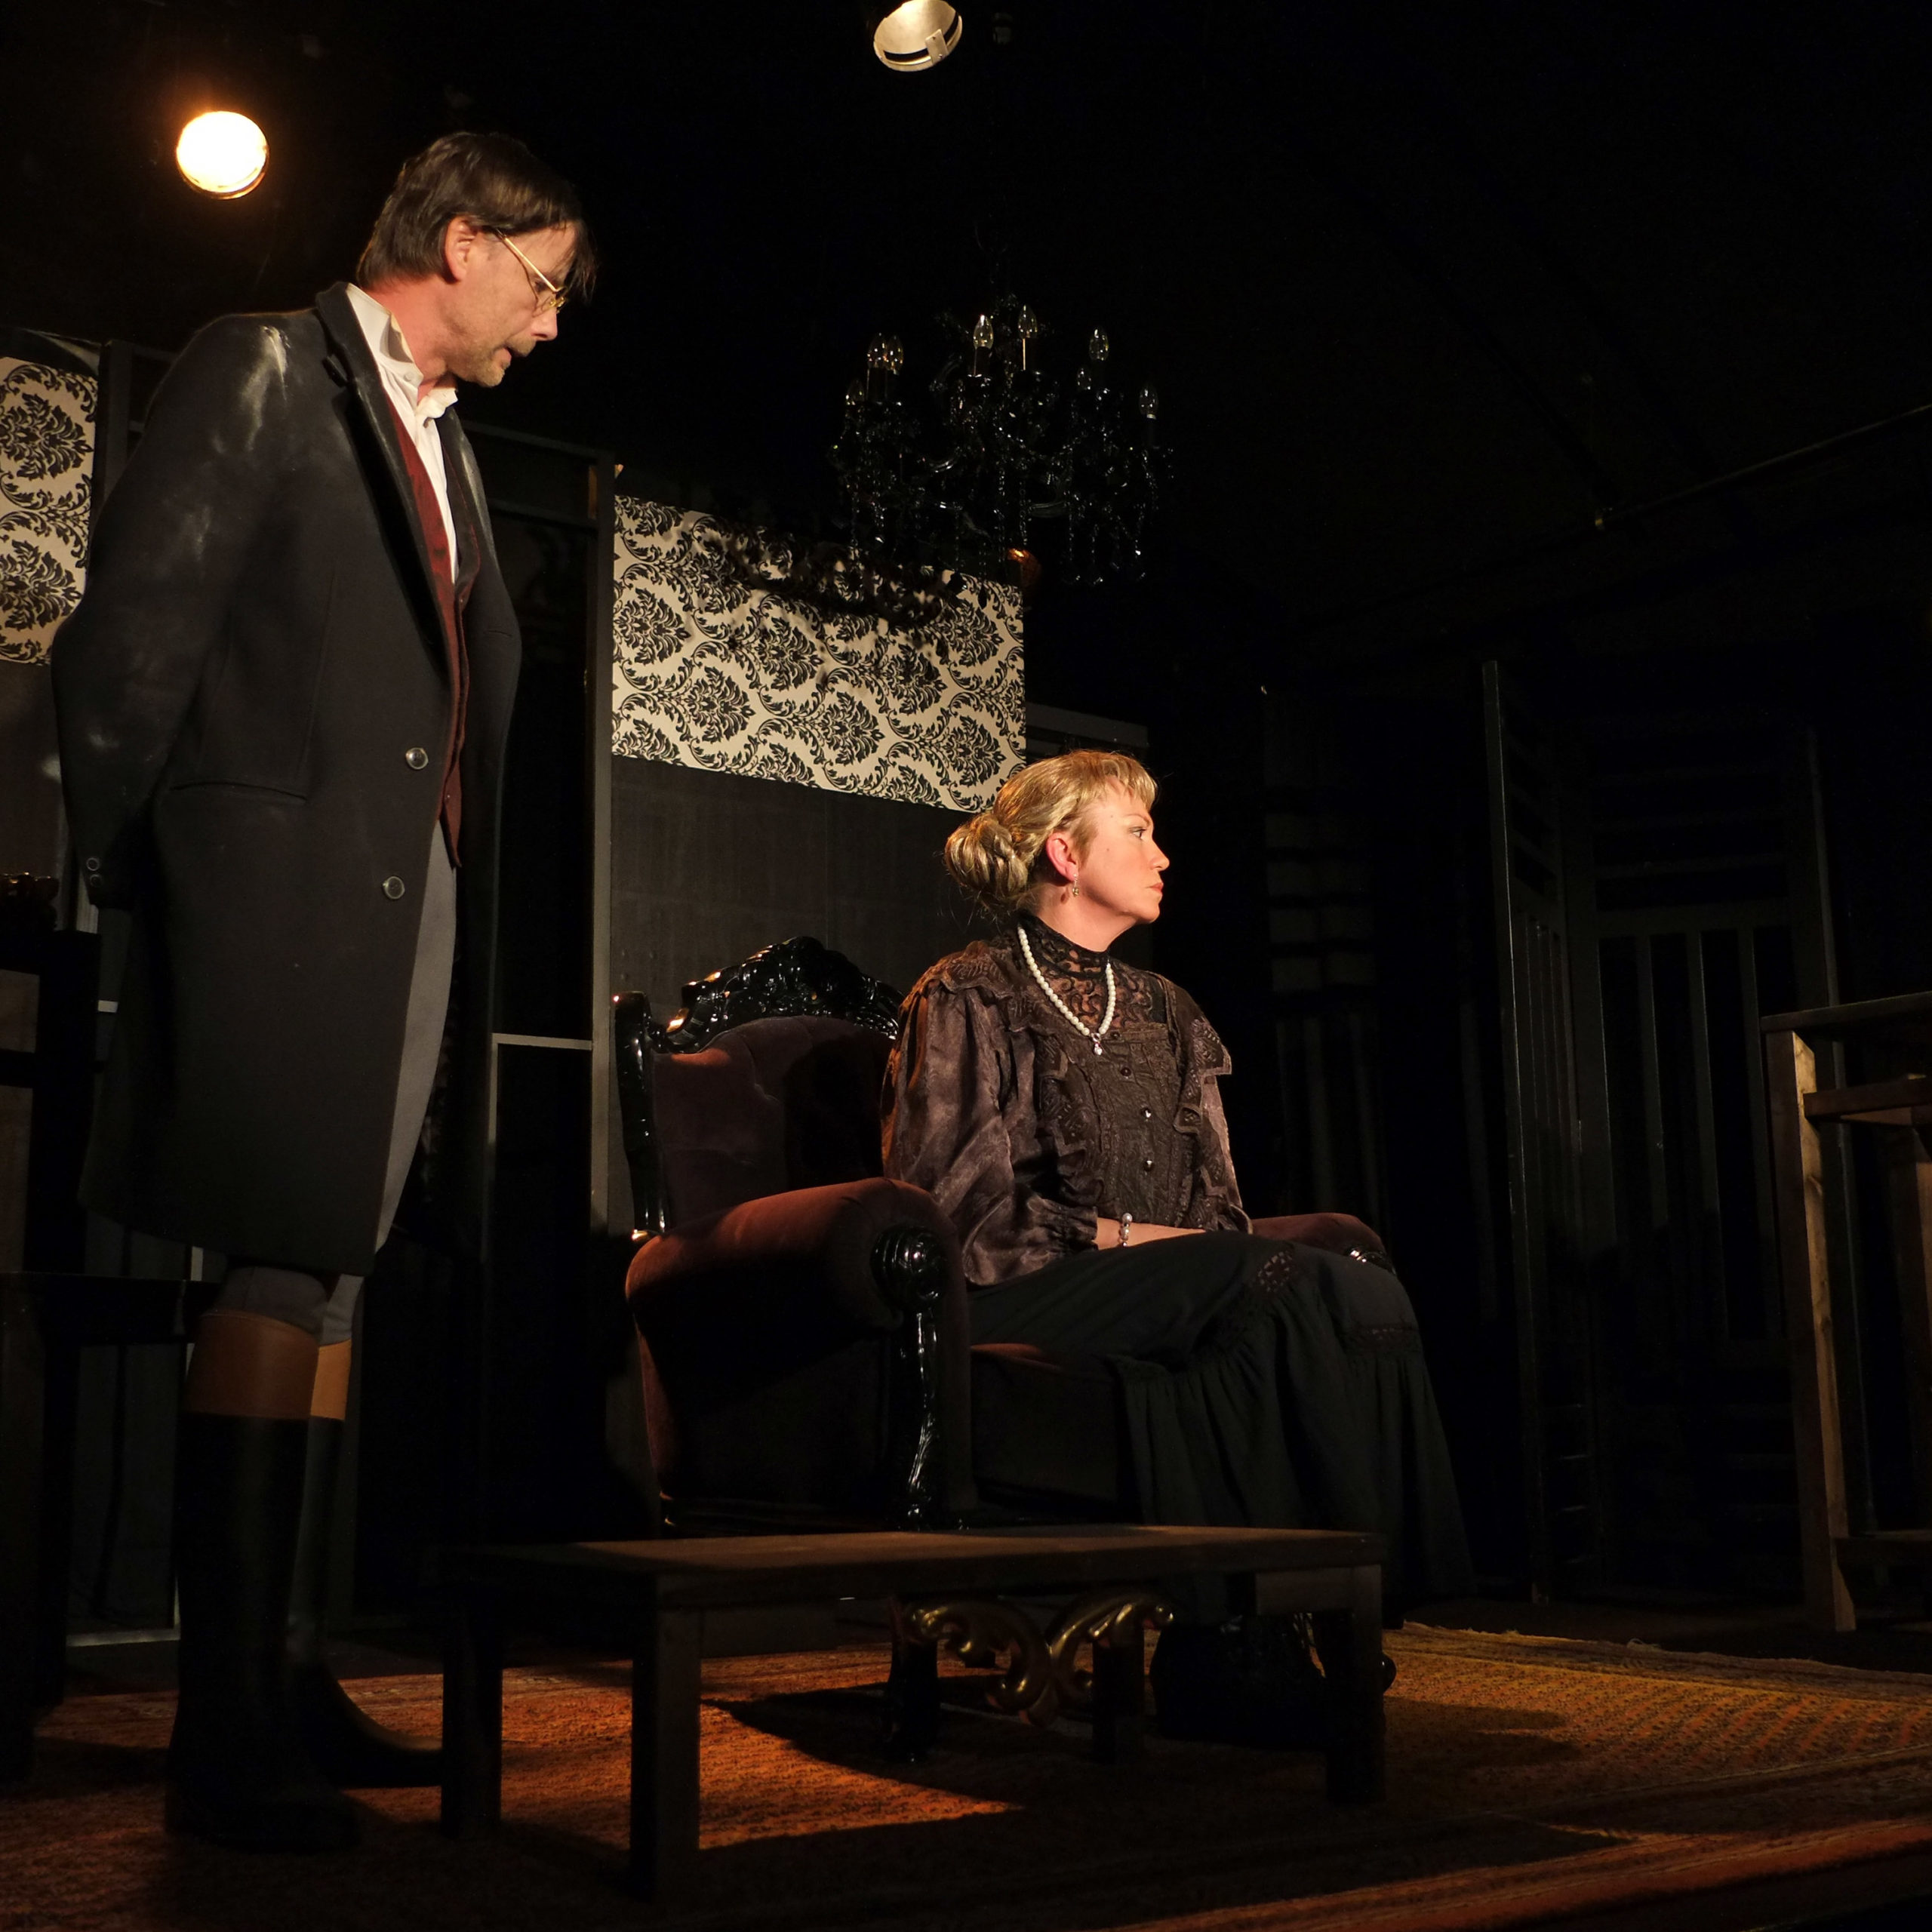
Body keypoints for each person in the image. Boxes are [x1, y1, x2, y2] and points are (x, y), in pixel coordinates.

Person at [52, 133, 594, 1850]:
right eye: (545, 283)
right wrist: (155, 884)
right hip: (266, 891)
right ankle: (222, 1722)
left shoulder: (447, 438)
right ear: (462, 242)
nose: (551, 323)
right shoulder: (267, 366)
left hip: (398, 897)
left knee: (334, 1265)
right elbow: (131, 640)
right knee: (281, 1256)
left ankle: (285, 1665)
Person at [881, 749, 1474, 1743]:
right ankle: (1245, 1642)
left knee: (1351, 1279)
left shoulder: (1170, 1012)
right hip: (1020, 1286)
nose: (1163, 855)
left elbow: (1222, 1214)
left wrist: (1189, 1254)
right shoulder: (968, 995)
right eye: (1138, 832)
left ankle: (1284, 1624)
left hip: (1177, 1286)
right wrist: (1125, 1237)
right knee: (1255, 1280)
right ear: (1065, 853)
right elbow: (956, 1216)